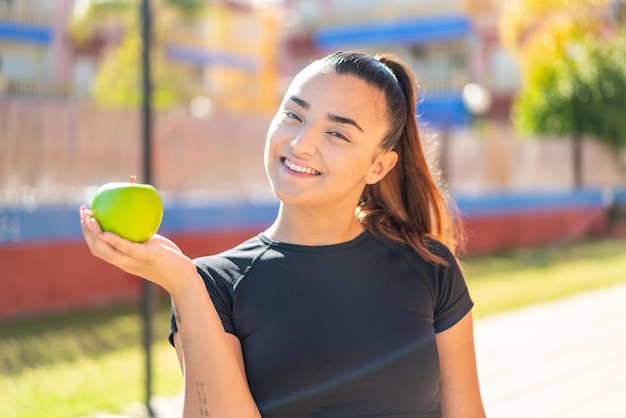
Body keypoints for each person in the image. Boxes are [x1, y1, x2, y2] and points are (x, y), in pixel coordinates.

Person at [80, 50, 486, 418]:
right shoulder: (213, 286)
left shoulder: (429, 266)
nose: (301, 143)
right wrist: (183, 284)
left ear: (378, 166)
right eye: (294, 115)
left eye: (337, 133)